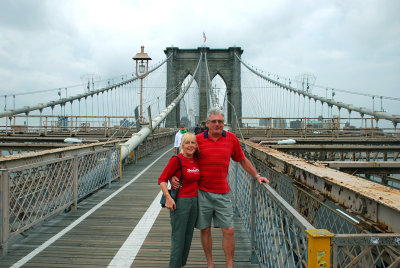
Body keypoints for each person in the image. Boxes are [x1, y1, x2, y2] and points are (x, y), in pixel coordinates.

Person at [172, 108, 269, 268]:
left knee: (229, 230)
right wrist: (173, 176)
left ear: (224, 124)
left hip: (223, 192)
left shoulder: (231, 139)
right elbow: (184, 158)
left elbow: (242, 160)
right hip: (201, 192)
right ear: (207, 123)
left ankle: (229, 266)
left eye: (220, 122)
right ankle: (210, 263)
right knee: (205, 229)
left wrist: (257, 176)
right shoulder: (197, 140)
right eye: (214, 121)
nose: (217, 124)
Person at [158, 132, 200, 268]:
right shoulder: (177, 159)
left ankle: (181, 265)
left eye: (193, 143)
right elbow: (162, 179)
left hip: (195, 202)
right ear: (182, 144)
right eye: (187, 142)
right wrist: (168, 198)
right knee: (178, 239)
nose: (190, 145)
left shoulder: (197, 159)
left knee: (187, 239)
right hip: (181, 203)